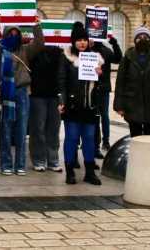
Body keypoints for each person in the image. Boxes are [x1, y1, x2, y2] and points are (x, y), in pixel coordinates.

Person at [0, 20, 45, 176]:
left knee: (22, 129)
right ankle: (6, 164)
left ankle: (20, 165)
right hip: (6, 92)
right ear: (5, 35)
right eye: (10, 33)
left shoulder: (25, 49)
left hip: (22, 92)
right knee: (5, 130)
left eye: (16, 34)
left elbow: (39, 44)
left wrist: (36, 26)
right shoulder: (0, 49)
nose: (13, 36)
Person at [57, 23, 103, 185]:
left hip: (89, 106)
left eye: (84, 40)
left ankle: (89, 172)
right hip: (72, 105)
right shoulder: (66, 57)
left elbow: (100, 85)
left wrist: (99, 75)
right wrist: (62, 101)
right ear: (73, 41)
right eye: (79, 40)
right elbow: (61, 81)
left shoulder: (95, 58)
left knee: (89, 138)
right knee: (72, 138)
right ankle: (70, 171)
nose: (82, 43)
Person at [114, 26, 150, 137]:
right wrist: (119, 106)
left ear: (149, 39)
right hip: (132, 105)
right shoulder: (128, 57)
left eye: (145, 36)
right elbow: (120, 83)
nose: (142, 39)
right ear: (135, 40)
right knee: (135, 138)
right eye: (139, 37)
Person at [29, 42, 64, 172]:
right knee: (38, 128)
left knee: (54, 129)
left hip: (54, 95)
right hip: (37, 95)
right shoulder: (34, 50)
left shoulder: (60, 52)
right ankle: (38, 159)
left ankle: (53, 160)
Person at [92, 31, 123, 154]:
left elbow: (118, 59)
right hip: (92, 88)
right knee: (97, 116)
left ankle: (105, 141)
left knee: (103, 116)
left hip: (103, 88)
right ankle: (97, 142)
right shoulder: (91, 49)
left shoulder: (105, 50)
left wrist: (114, 44)